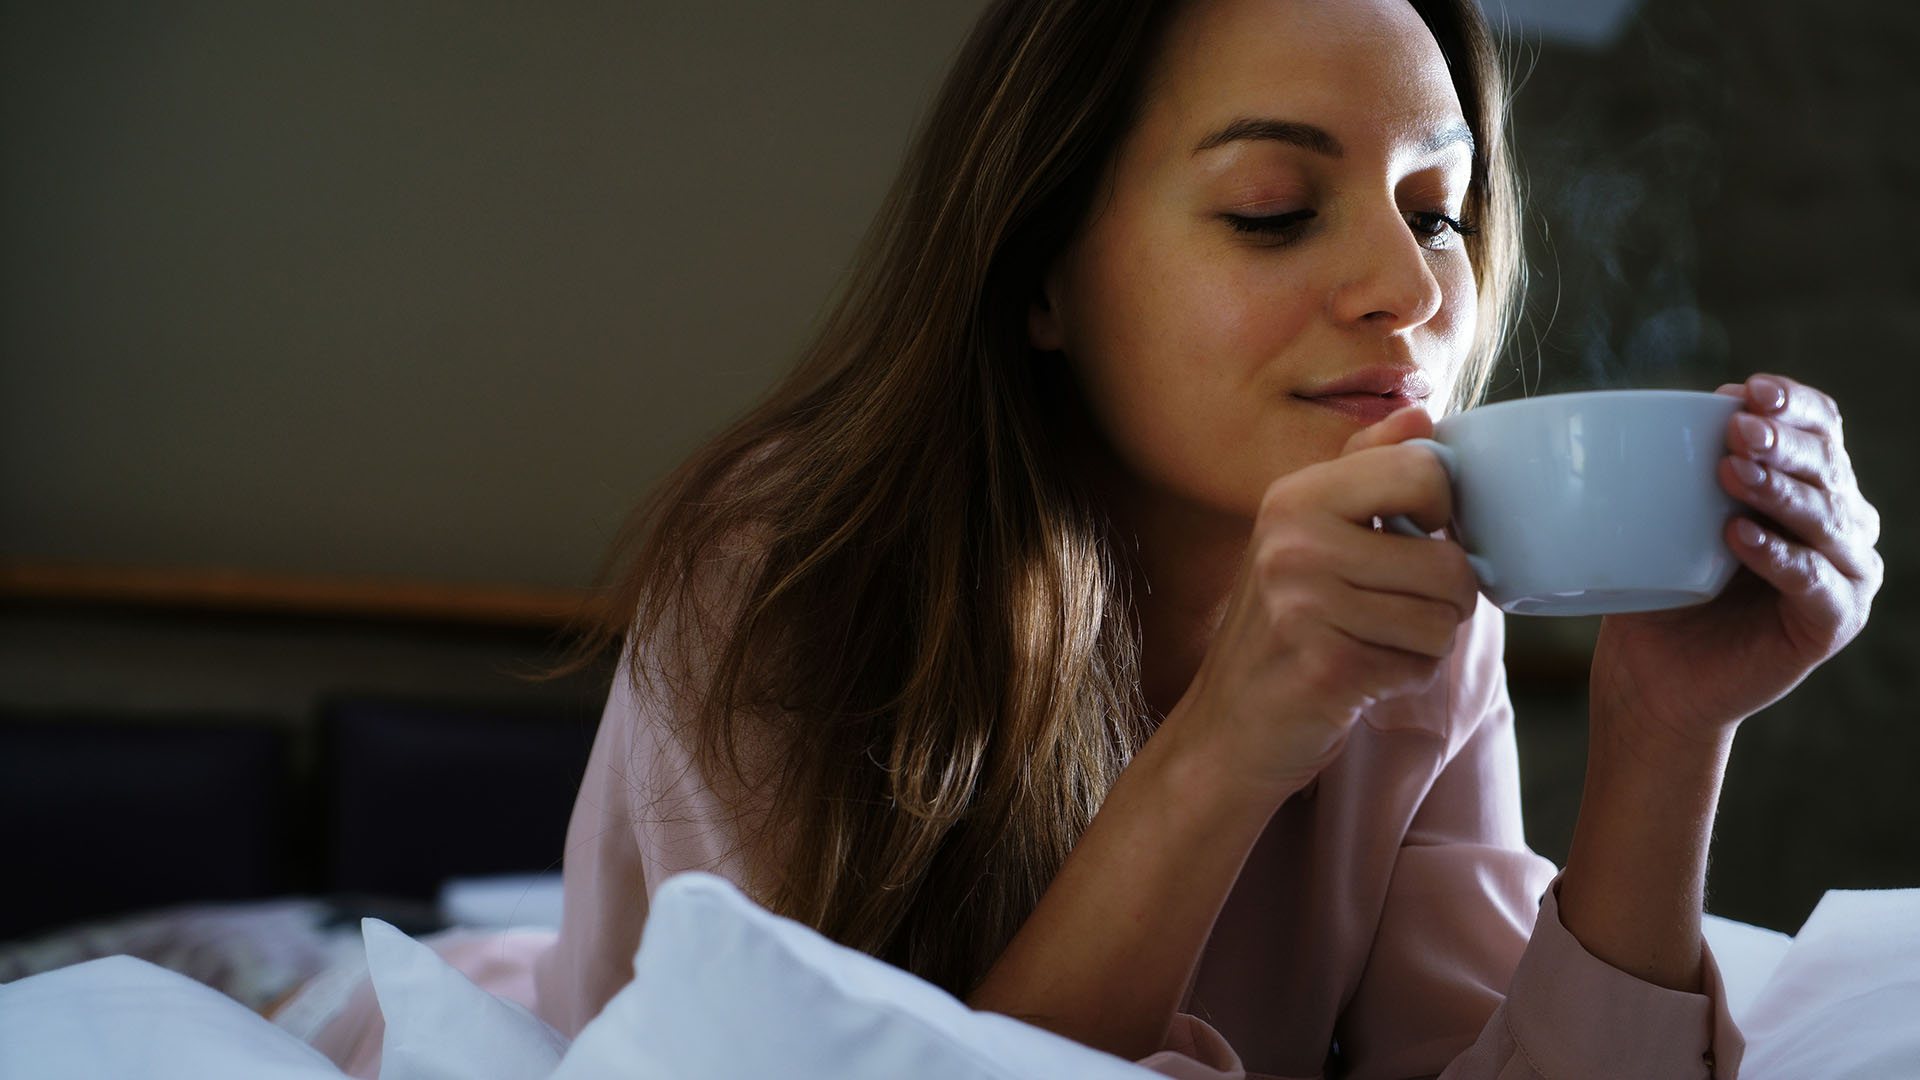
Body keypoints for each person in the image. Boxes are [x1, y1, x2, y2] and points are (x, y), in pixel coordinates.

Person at [306, 0, 1884, 1076]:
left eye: (1440, 210)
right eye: (1275, 206)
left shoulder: (1424, 609)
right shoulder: (791, 572)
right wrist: (1230, 740)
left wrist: (1666, 733)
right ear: (1042, 273)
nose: (1411, 293)